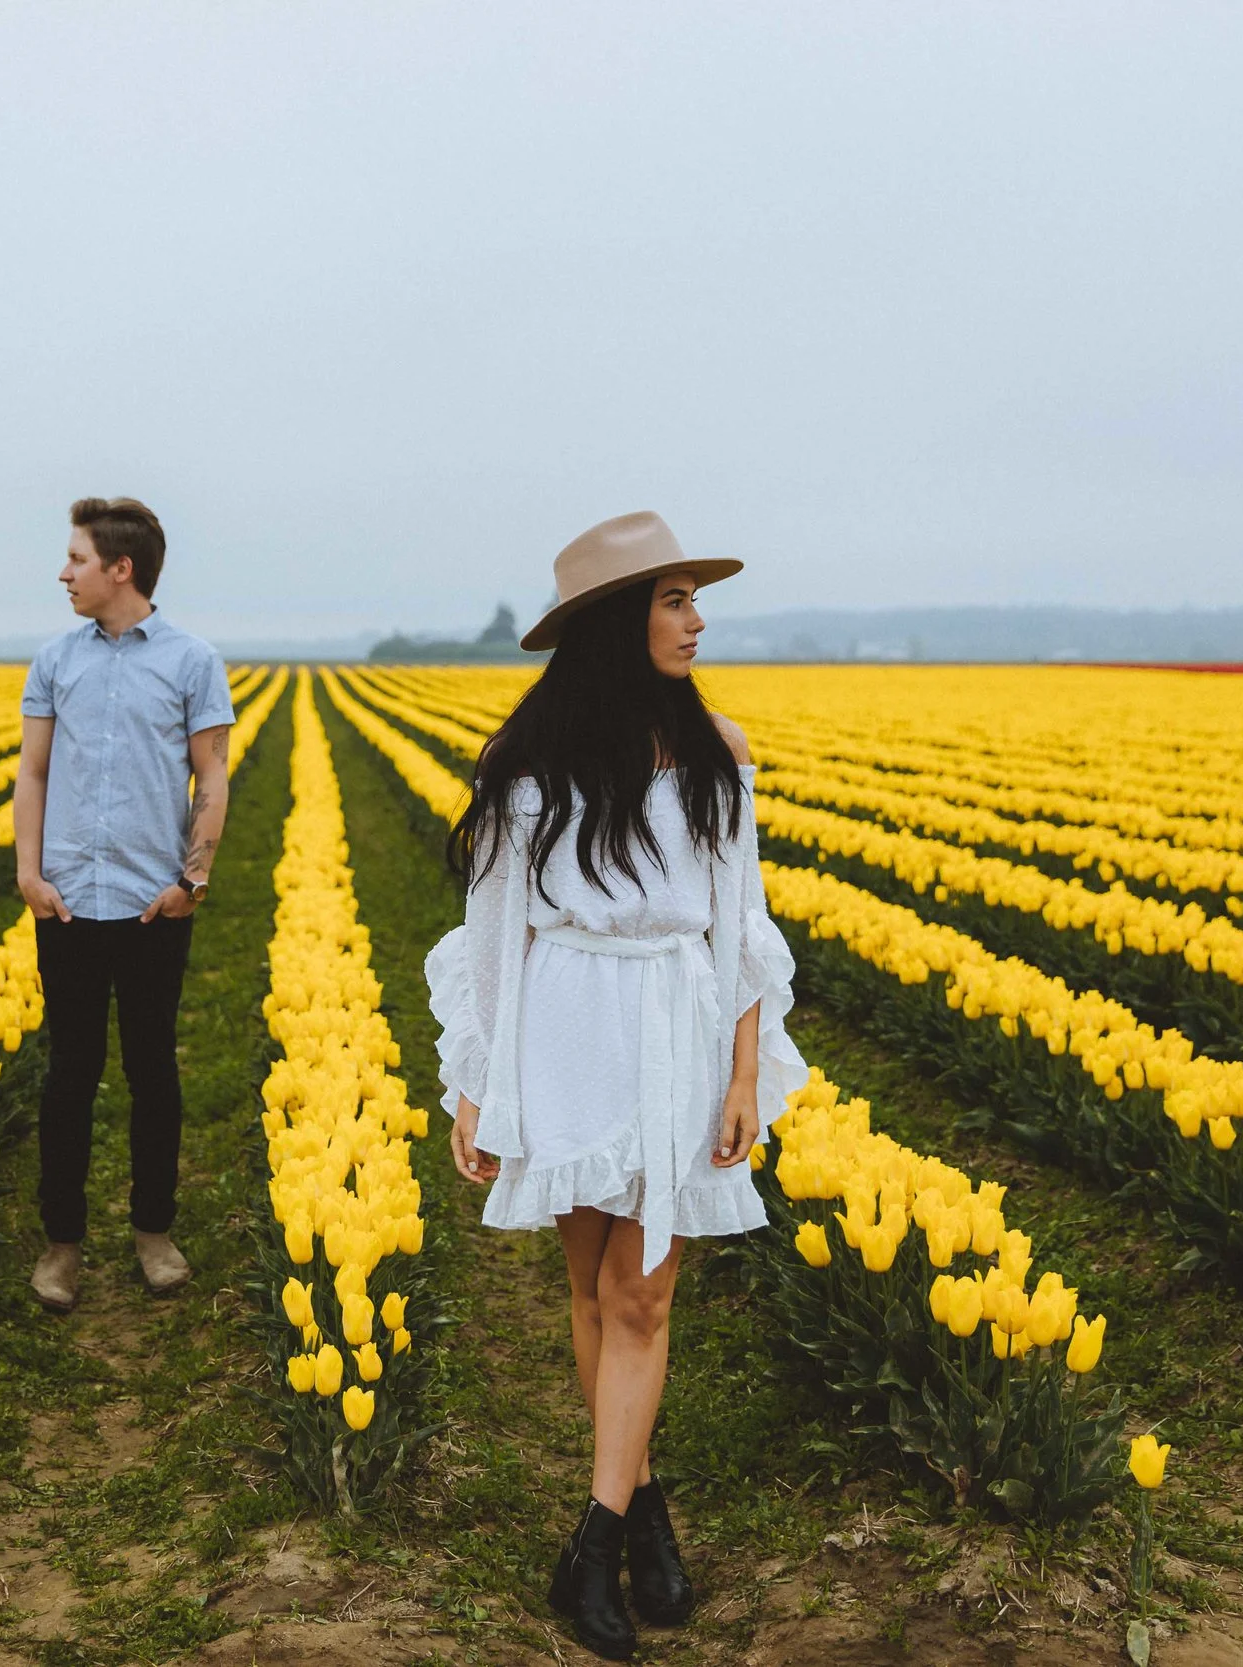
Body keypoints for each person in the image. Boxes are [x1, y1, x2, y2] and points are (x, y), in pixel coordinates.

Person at [425, 511, 807, 1661]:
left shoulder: (716, 754)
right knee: (592, 1285)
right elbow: (492, 935)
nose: (697, 621)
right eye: (674, 600)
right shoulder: (526, 765)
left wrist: (741, 1071)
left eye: (693, 598)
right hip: (567, 1026)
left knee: (641, 1292)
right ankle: (642, 1508)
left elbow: (740, 926)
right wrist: (476, 1082)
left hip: (675, 1024)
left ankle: (591, 1545)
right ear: (614, 622)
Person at [14, 497, 234, 1313]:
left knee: (152, 1072)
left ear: (121, 568)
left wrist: (192, 883)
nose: (63, 573)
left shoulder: (191, 661)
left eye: (76, 559)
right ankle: (61, 1244)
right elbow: (33, 771)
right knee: (69, 1075)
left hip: (151, 907)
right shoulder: (54, 660)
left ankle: (153, 1232)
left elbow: (212, 776)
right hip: (68, 903)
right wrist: (29, 874)